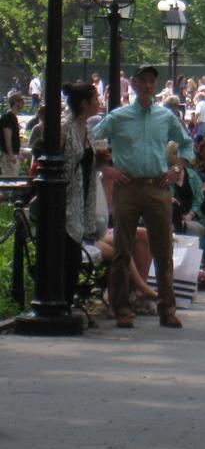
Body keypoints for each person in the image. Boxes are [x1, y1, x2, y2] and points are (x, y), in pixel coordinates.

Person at [92, 63, 195, 329]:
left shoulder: (165, 116)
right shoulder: (119, 116)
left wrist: (175, 168)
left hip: (158, 186)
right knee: (122, 250)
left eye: (152, 81)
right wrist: (107, 169)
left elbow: (186, 142)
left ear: (155, 86)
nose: (148, 85)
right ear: (134, 85)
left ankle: (167, 309)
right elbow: (92, 139)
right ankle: (122, 308)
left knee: (164, 250)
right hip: (128, 186)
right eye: (143, 81)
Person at [61, 81, 101, 307]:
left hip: (82, 198)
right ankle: (62, 304)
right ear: (84, 104)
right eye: (95, 99)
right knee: (69, 257)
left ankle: (65, 302)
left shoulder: (87, 130)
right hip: (66, 200)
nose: (99, 103)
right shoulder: (65, 129)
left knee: (73, 256)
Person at [0, 92, 25, 176]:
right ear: (15, 103)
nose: (23, 103)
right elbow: (8, 138)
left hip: (13, 154)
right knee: (11, 181)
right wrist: (11, 155)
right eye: (21, 101)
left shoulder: (13, 117)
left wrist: (19, 153)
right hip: (9, 155)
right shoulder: (8, 118)